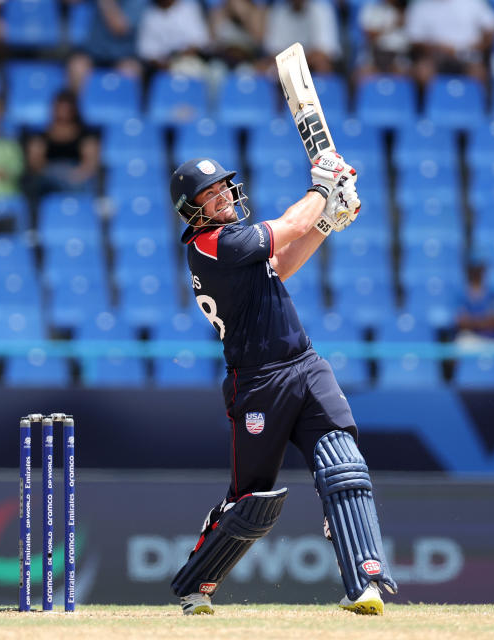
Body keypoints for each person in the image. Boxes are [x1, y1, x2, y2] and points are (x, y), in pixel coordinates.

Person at [167, 151, 398, 615]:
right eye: (209, 195)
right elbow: (288, 227)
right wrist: (322, 189)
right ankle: (196, 585)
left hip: (304, 363)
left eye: (222, 188)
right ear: (192, 210)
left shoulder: (235, 244)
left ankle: (364, 584)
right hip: (257, 382)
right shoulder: (211, 244)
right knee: (251, 501)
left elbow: (283, 262)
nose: (222, 197)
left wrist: (329, 220)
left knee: (344, 468)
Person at [21, 89, 101, 202]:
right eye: (59, 108)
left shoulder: (86, 135)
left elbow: (90, 164)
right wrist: (56, 174)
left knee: (82, 187)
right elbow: (36, 164)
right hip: (49, 177)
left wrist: (73, 177)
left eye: (66, 108)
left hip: (76, 177)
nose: (62, 112)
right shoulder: (41, 136)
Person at [404, 0, 494, 86]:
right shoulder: (420, 6)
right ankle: (430, 104)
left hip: (468, 56)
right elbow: (415, 40)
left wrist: (474, 48)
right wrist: (439, 48)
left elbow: (492, 30)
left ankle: (475, 104)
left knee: (478, 73)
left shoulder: (473, 3)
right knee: (423, 71)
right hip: (435, 57)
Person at [263, 0, 342, 74]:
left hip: (310, 67)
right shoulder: (278, 13)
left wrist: (293, 60)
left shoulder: (322, 10)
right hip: (286, 69)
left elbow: (324, 53)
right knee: (265, 68)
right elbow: (273, 53)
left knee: (322, 65)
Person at [454, 258, 494, 339]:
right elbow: (460, 322)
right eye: (474, 269)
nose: (477, 272)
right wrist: (486, 321)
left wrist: (474, 321)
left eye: (480, 268)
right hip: (472, 338)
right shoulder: (462, 293)